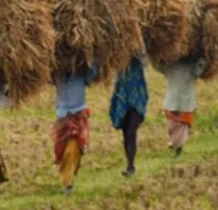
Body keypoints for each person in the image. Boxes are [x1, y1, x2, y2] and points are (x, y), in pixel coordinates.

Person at [52, 66, 98, 195]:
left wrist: (96, 60)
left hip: (78, 115)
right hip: (62, 117)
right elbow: (46, 77)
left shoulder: (81, 74)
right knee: (62, 151)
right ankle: (68, 177)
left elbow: (93, 73)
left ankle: (68, 183)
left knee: (71, 150)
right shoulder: (57, 75)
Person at [109, 56, 149, 177]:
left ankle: (131, 165)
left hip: (136, 100)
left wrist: (134, 48)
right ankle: (129, 162)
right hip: (122, 98)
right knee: (126, 133)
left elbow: (145, 59)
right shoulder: (119, 62)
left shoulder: (139, 60)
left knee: (132, 132)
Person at [162, 58, 206, 156]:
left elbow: (200, 68)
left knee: (182, 126)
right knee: (172, 126)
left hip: (183, 102)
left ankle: (178, 148)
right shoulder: (171, 66)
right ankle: (175, 144)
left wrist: (203, 57)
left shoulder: (190, 66)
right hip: (174, 102)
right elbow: (159, 66)